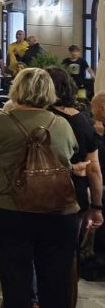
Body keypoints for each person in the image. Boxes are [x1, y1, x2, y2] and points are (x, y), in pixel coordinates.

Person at [0, 69, 84, 308]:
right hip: (58, 212)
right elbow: (68, 157)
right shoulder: (62, 124)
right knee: (56, 287)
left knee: (16, 286)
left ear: (17, 89)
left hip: (9, 211)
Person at [45, 67, 103, 233]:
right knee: (68, 252)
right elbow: (93, 168)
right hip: (73, 198)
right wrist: (97, 207)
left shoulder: (37, 118)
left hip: (34, 194)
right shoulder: (83, 122)